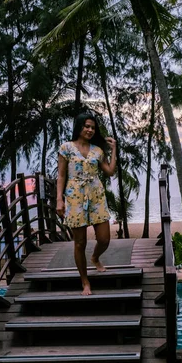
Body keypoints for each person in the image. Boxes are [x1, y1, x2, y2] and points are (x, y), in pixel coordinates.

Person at [56, 112, 117, 295]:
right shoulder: (66, 148)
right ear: (79, 127)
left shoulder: (97, 150)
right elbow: (61, 175)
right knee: (79, 243)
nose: (90, 130)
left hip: (96, 196)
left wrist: (113, 150)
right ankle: (85, 282)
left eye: (93, 127)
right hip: (74, 197)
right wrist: (59, 199)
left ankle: (95, 257)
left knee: (105, 239)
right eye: (87, 126)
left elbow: (110, 171)